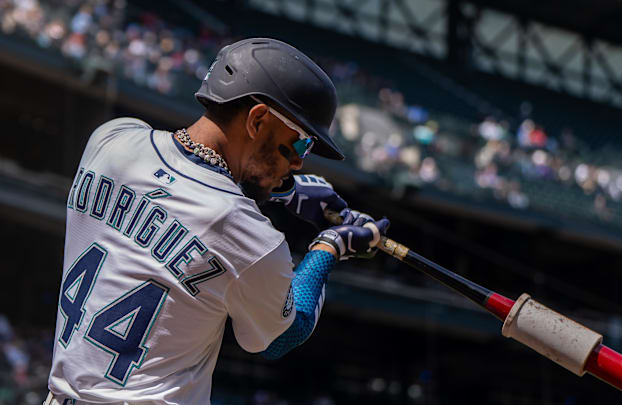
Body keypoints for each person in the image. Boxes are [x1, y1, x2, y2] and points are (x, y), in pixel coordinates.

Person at [45, 38, 390, 405]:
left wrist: (284, 190)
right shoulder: (249, 233)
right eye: (300, 144)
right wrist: (331, 245)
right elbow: (284, 335)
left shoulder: (110, 140)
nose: (298, 163)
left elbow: (183, 175)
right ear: (257, 120)